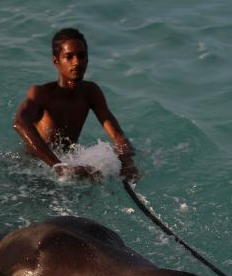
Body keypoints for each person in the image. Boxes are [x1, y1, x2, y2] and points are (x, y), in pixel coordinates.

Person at [13, 28, 138, 182]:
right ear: (56, 61)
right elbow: (20, 123)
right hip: (31, 170)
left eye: (81, 56)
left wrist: (126, 162)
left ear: (87, 59)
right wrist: (58, 166)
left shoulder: (90, 92)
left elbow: (118, 136)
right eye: (69, 57)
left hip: (66, 167)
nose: (77, 62)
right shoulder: (41, 93)